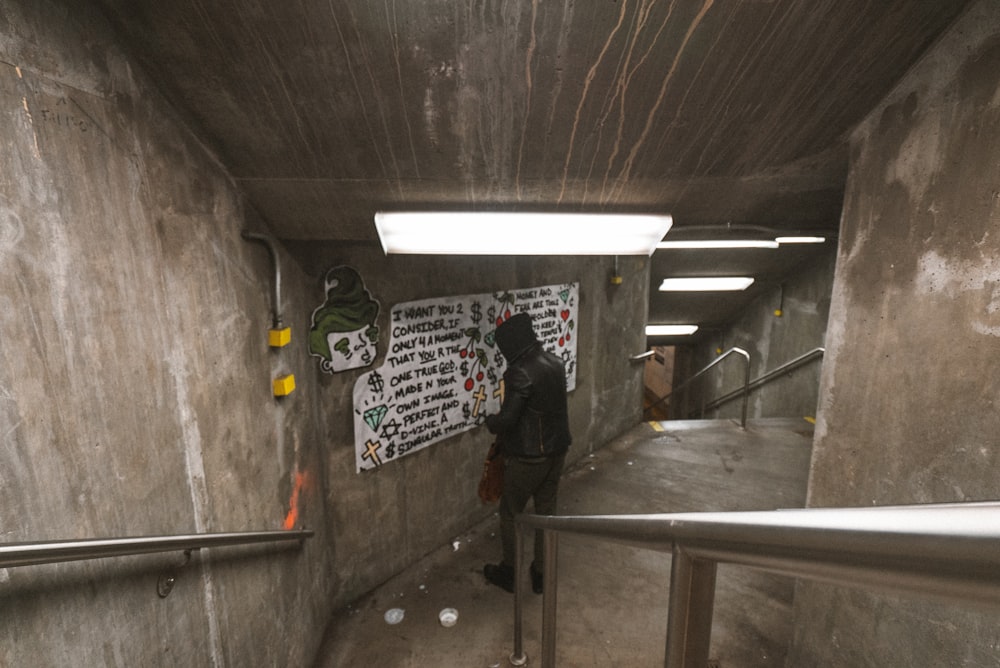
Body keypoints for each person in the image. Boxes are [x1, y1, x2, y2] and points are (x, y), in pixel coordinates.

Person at [483, 312, 572, 594]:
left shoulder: (519, 372)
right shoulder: (555, 363)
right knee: (546, 513)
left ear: (512, 344)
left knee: (510, 512)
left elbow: (508, 419)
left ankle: (509, 572)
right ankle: (541, 574)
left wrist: (490, 421)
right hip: (558, 450)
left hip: (529, 457)